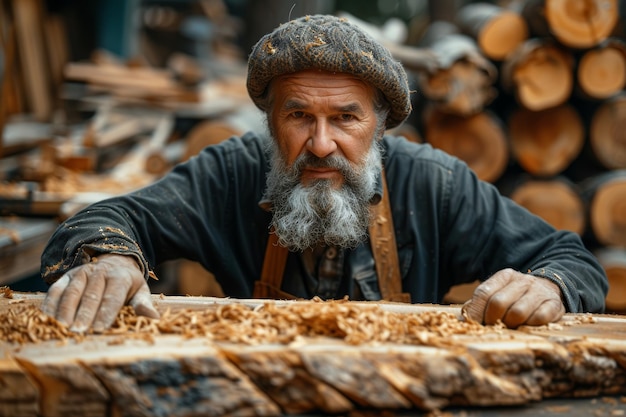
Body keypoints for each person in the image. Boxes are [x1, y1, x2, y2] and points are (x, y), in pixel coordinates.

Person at [40, 14, 608, 333]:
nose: (320, 144)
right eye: (298, 117)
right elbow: (110, 217)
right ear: (270, 123)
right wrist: (108, 257)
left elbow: (572, 258)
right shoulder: (232, 172)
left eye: (345, 118)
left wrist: (550, 285)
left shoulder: (435, 185)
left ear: (380, 127)